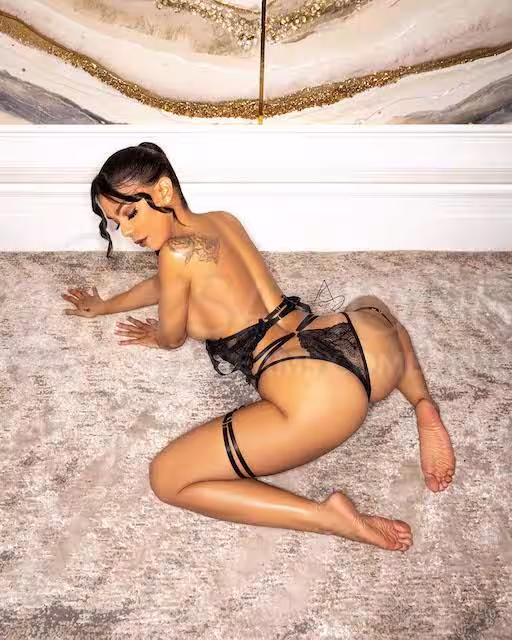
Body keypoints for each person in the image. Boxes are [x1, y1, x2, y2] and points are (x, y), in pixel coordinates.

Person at [61, 142, 455, 551]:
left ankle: (327, 516)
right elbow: (167, 282)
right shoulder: (221, 223)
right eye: (116, 223)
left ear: (162, 191)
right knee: (369, 303)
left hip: (321, 398)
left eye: (129, 214)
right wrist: (108, 305)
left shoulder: (174, 256)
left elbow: (173, 337)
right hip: (362, 341)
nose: (126, 232)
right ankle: (422, 404)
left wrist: (156, 335)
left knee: (167, 477)